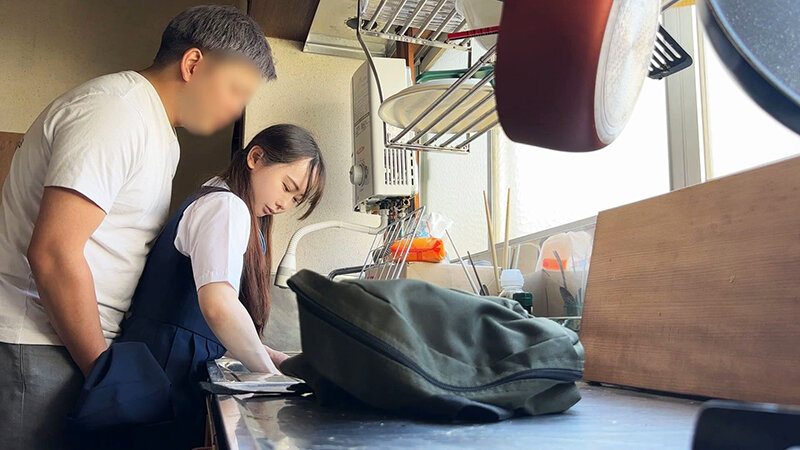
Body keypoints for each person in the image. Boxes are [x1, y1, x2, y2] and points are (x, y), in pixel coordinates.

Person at [0, 6, 275, 449]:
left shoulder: (159, 134)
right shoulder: (115, 112)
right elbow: (53, 252)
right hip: (37, 342)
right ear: (193, 64)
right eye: (235, 90)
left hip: (70, 341)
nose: (236, 109)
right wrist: (104, 371)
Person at [69, 124, 326, 449]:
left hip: (151, 367)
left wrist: (270, 355)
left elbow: (202, 323)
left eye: (296, 199)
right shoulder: (226, 206)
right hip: (164, 372)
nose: (285, 204)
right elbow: (218, 307)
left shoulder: (215, 200)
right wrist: (270, 378)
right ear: (256, 158)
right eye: (287, 187)